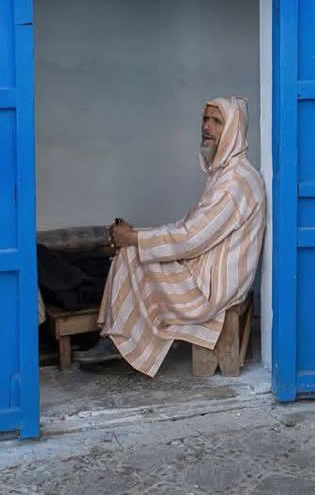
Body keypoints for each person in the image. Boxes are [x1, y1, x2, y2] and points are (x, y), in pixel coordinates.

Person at [76, 97, 266, 376]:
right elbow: (189, 226)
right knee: (132, 248)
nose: (206, 126)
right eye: (205, 119)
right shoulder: (226, 173)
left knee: (131, 254)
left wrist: (133, 239)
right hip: (205, 271)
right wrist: (136, 234)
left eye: (216, 121)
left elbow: (190, 239)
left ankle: (122, 340)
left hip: (209, 290)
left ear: (233, 130)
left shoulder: (235, 182)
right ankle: (118, 335)